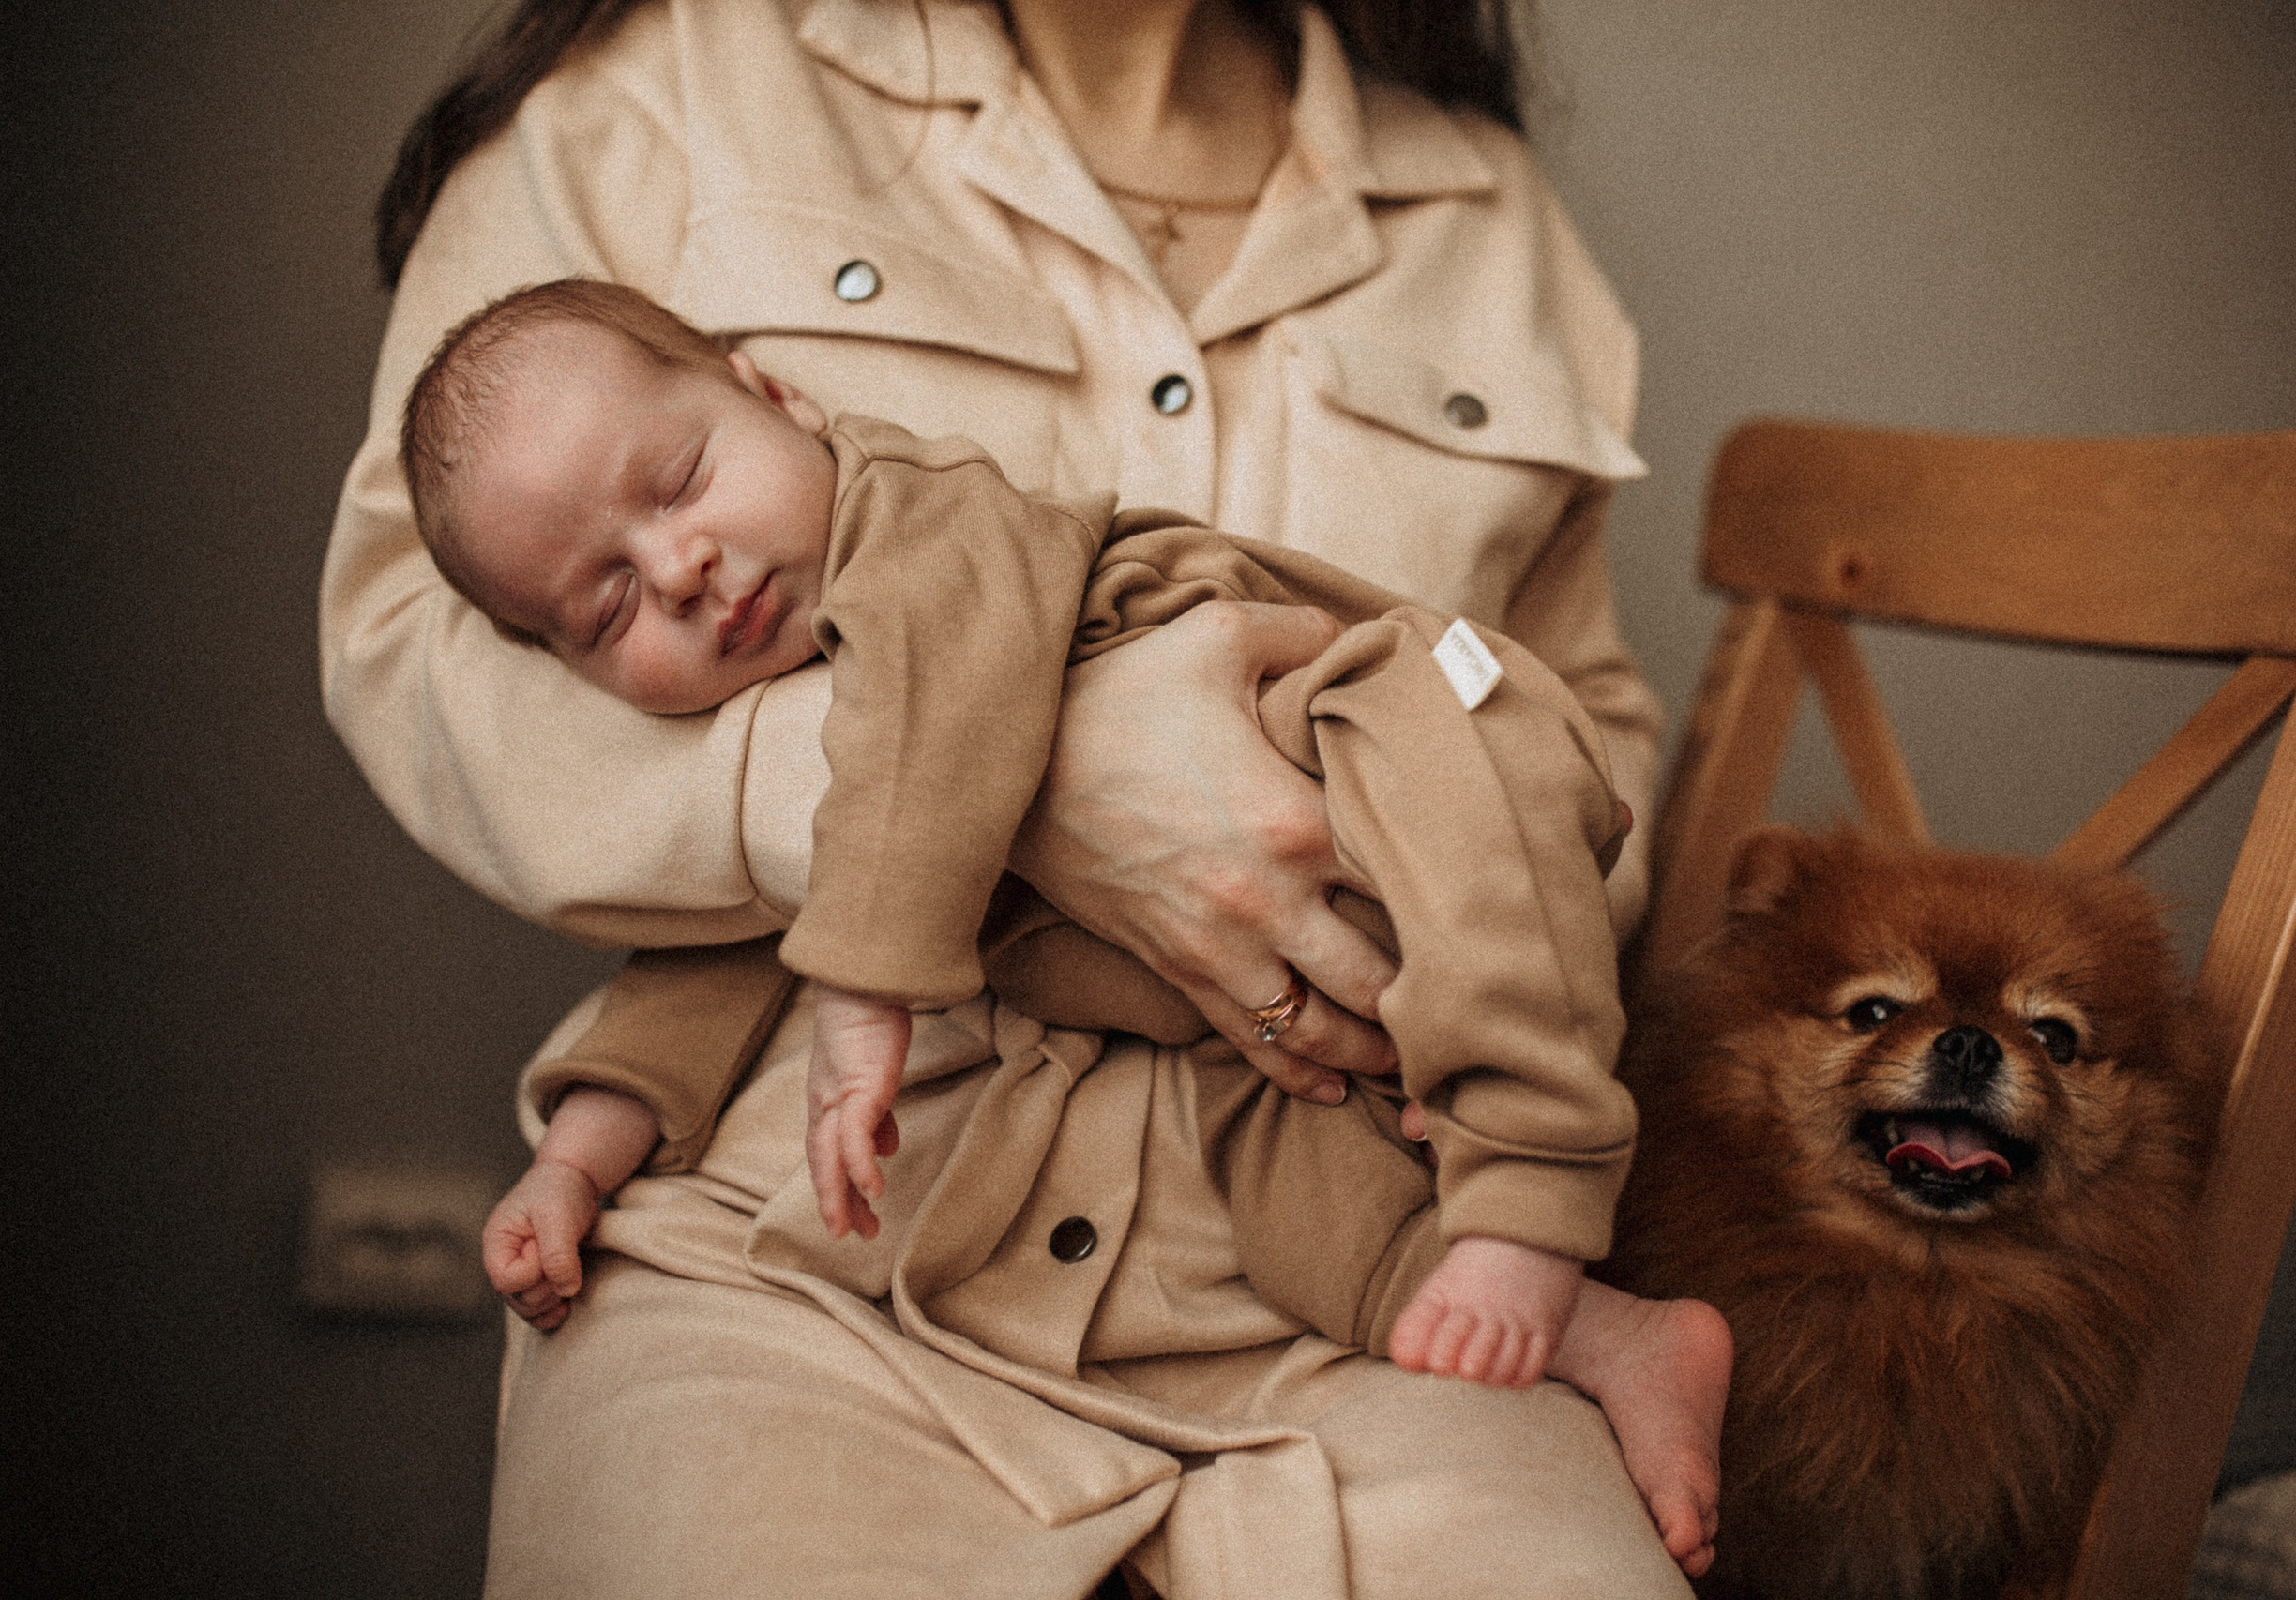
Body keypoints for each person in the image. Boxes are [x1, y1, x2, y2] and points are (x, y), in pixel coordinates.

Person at [325, 0, 1714, 1593]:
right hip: (825, 1241)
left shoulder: (1480, 211)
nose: (683, 571)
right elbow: (422, 658)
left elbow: (1582, 729)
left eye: (681, 489)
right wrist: (983, 782)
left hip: (1352, 1234)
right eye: (615, 591)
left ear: (775, 402)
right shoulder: (655, 99)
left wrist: (1430, 900)